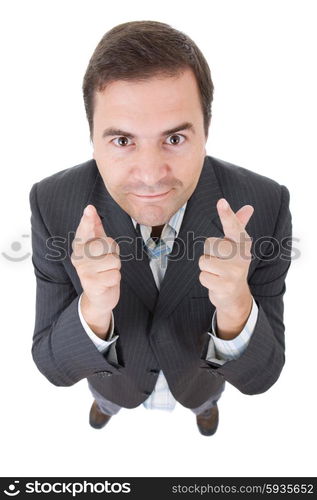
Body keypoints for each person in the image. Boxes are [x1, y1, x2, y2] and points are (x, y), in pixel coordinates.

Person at [29, 20, 292, 436]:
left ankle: (205, 410)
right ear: (92, 138)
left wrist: (236, 306)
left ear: (206, 130)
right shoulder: (52, 203)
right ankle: (107, 408)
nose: (150, 176)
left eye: (174, 139)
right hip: (116, 382)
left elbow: (262, 376)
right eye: (122, 141)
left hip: (198, 382)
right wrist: (93, 308)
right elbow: (54, 367)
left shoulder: (265, 204)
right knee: (107, 399)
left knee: (204, 399)